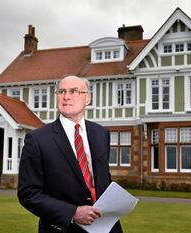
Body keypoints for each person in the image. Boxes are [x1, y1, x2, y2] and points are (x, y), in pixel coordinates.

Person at [18, 76, 123, 233]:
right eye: (61, 91)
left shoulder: (101, 134)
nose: (66, 97)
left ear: (87, 98)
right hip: (63, 228)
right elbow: (29, 194)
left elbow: (102, 179)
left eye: (74, 91)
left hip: (107, 227)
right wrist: (73, 213)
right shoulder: (38, 139)